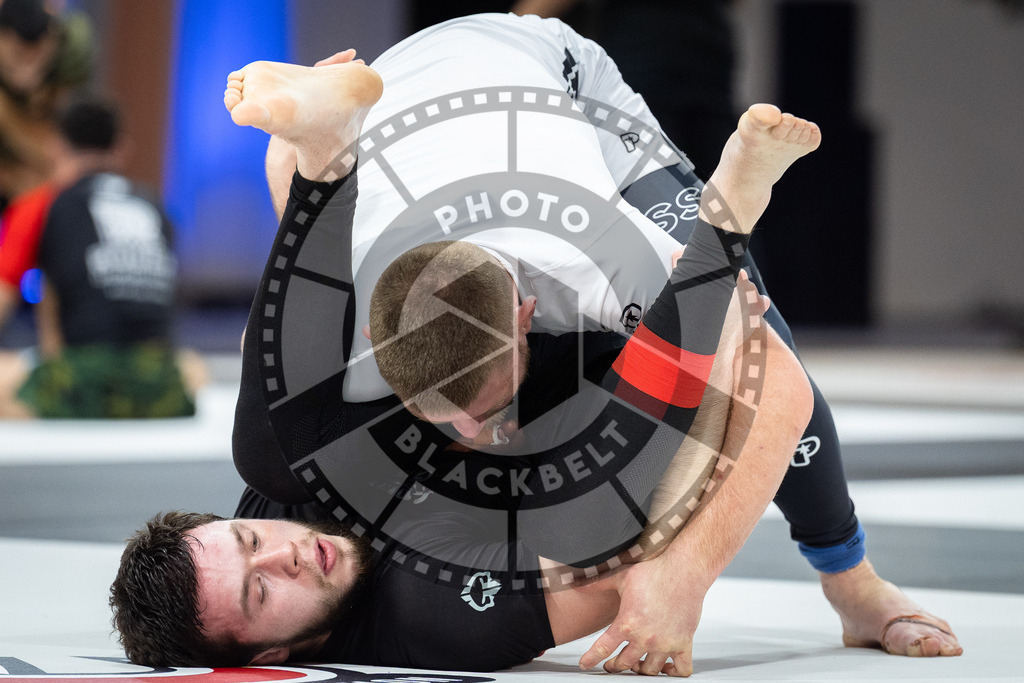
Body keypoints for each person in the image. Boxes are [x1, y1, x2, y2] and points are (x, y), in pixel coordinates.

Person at [220, 13, 959, 672]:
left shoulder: (602, 265)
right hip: (396, 103)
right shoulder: (337, 340)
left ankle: (853, 583)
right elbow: (290, 220)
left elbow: (779, 387)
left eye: (485, 405)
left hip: (559, 83)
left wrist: (682, 578)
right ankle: (330, 143)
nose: (475, 431)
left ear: (527, 312)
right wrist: (297, 172)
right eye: (437, 413)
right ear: (380, 346)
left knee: (761, 339)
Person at [0, 96, 198, 418]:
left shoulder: (42, 205)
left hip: (82, 387)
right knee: (191, 366)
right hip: (163, 390)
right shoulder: (154, 207)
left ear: (56, 148)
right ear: (121, 148)